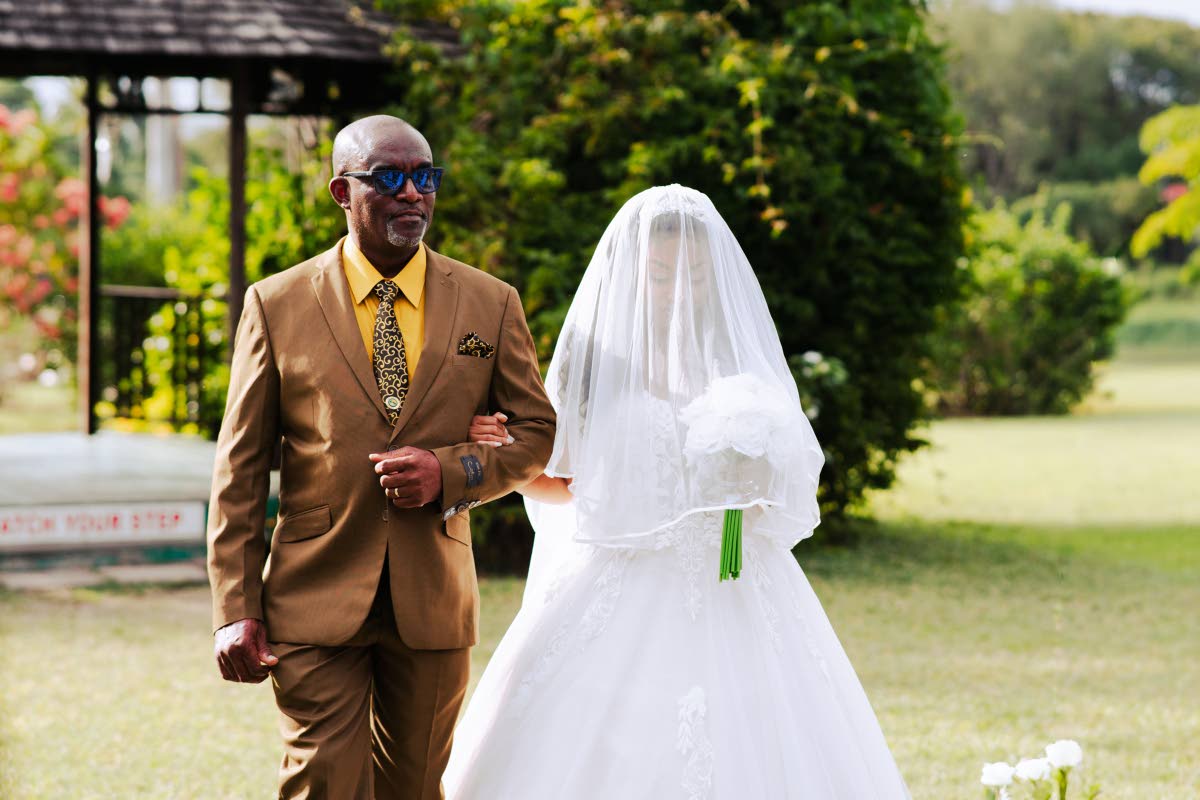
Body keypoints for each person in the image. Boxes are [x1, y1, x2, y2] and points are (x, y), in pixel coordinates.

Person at [445, 185, 910, 799]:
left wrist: (756, 466)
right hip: (616, 578)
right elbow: (558, 484)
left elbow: (776, 497)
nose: (680, 292)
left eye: (695, 276)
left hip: (735, 583)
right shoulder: (596, 363)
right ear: (633, 276)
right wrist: (505, 452)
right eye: (662, 276)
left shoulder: (736, 362)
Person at [205, 115, 556, 800]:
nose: (411, 195)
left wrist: (451, 473)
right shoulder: (275, 305)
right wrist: (235, 604)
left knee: (414, 789)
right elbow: (240, 469)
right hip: (313, 592)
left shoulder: (490, 303)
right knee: (323, 781)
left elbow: (536, 432)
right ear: (342, 190)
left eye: (425, 178)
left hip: (433, 595)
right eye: (388, 178)